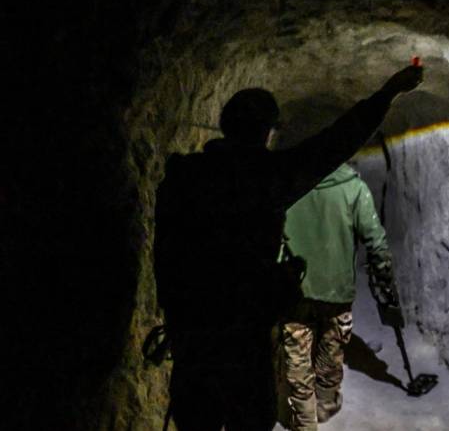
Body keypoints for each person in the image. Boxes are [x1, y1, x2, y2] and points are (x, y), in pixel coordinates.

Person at [153, 64, 422, 431]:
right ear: (267, 132)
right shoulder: (265, 178)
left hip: (192, 334)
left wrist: (179, 311)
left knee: (197, 420)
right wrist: (388, 92)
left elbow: (166, 255)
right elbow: (334, 143)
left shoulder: (183, 177)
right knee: (250, 419)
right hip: (244, 334)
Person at [280, 162, 395, 430]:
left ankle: (305, 420)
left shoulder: (286, 189)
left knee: (297, 356)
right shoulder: (354, 188)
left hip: (295, 289)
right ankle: (326, 402)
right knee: (331, 348)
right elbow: (375, 240)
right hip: (337, 289)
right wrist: (384, 274)